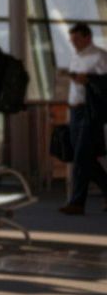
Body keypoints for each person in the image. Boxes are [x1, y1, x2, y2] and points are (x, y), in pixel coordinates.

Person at [57, 22, 107, 215]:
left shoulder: (100, 57)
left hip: (90, 111)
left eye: (77, 39)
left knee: (80, 157)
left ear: (88, 37)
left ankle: (77, 202)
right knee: (85, 158)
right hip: (75, 111)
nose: (74, 43)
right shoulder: (75, 57)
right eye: (72, 40)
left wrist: (89, 80)